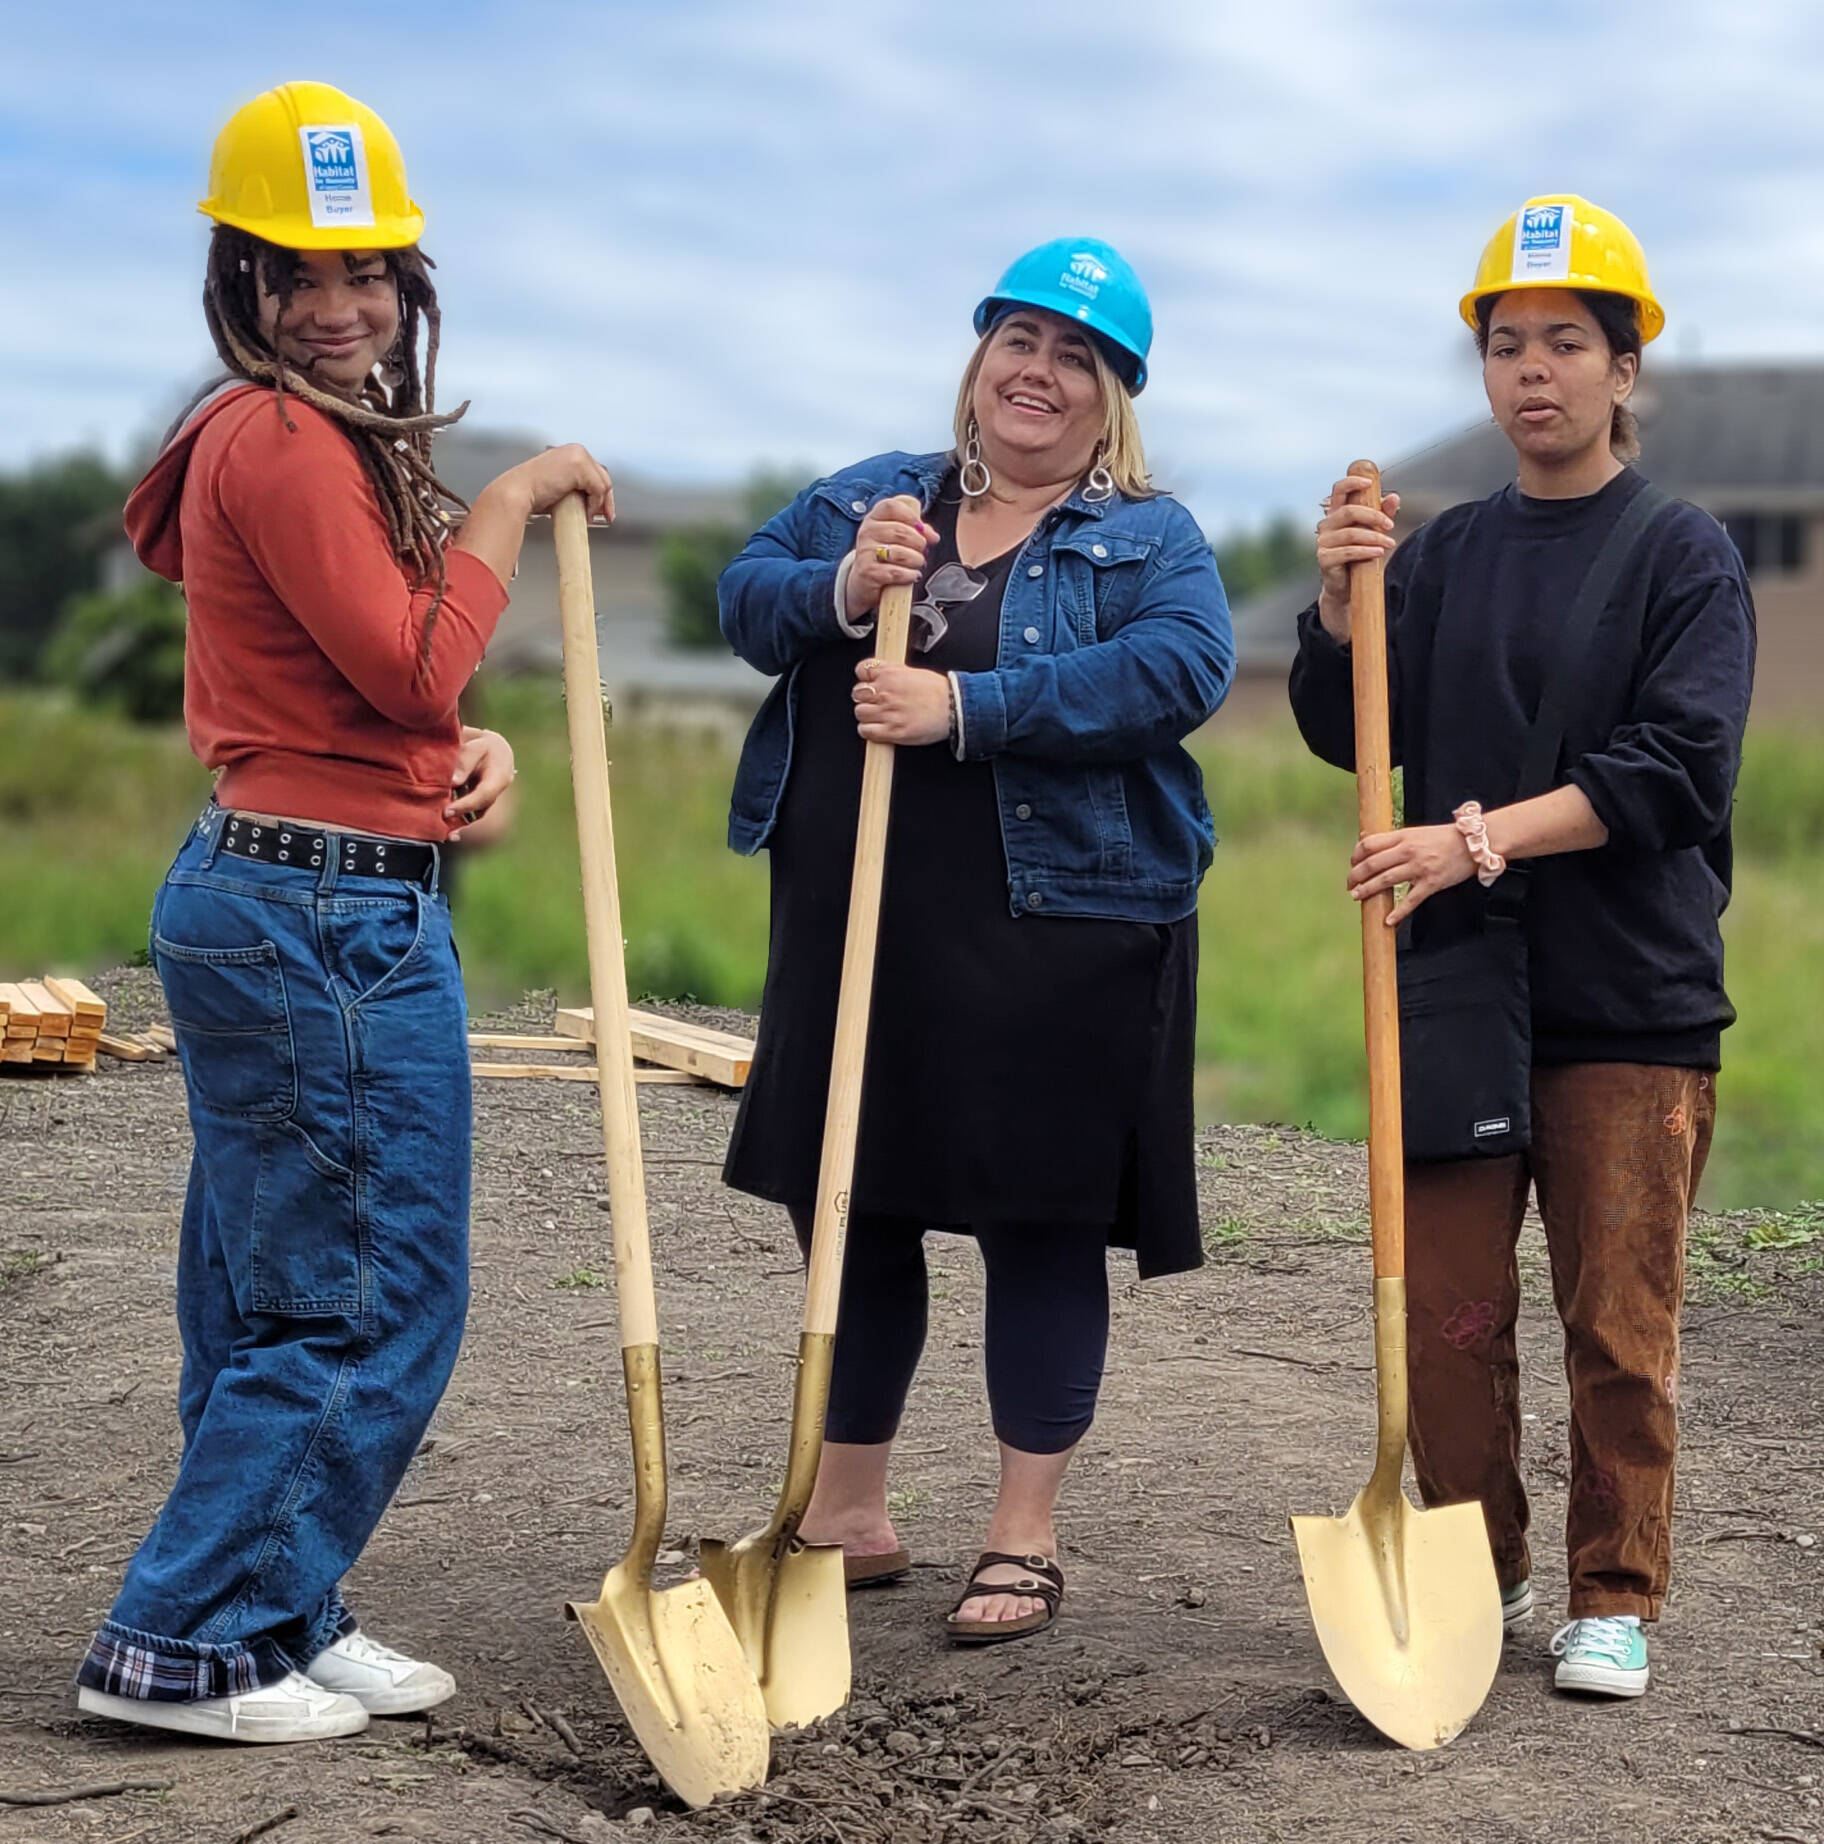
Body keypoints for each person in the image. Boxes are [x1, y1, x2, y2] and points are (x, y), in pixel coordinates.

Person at [75, 81, 613, 1744]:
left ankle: (279, 1603)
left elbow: (373, 693)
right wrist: (514, 505)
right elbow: (412, 658)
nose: (335, 306)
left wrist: (476, 753)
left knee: (269, 1284)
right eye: (293, 275)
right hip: (318, 917)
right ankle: (186, 1641)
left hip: (299, 882)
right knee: (364, 1293)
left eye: (365, 270)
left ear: (409, 278)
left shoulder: (297, 440)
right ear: (236, 283)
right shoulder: (285, 434)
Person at [719, 238, 1234, 1642]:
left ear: (1112, 394)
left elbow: (1180, 668)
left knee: (1039, 1217)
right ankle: (847, 1512)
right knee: (853, 1203)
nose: (1039, 371)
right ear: (980, 357)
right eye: (1020, 339)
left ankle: (1023, 1535)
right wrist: (839, 585)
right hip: (860, 918)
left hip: (1056, 930)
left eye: (1077, 356)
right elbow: (744, 594)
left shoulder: (1147, 536)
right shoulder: (873, 497)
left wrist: (968, 709)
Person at [1290, 195, 1754, 1700]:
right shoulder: (1442, 553)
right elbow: (1350, 732)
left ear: (1629, 373)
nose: (1532, 370)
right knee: (1447, 1319)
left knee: (1619, 1322)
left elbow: (1680, 771)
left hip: (1631, 999)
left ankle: (1614, 1593)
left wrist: (1469, 839)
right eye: (1507, 344)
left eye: (1567, 342)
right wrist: (1338, 602)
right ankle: (1474, 1568)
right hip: (1456, 996)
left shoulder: (1685, 554)